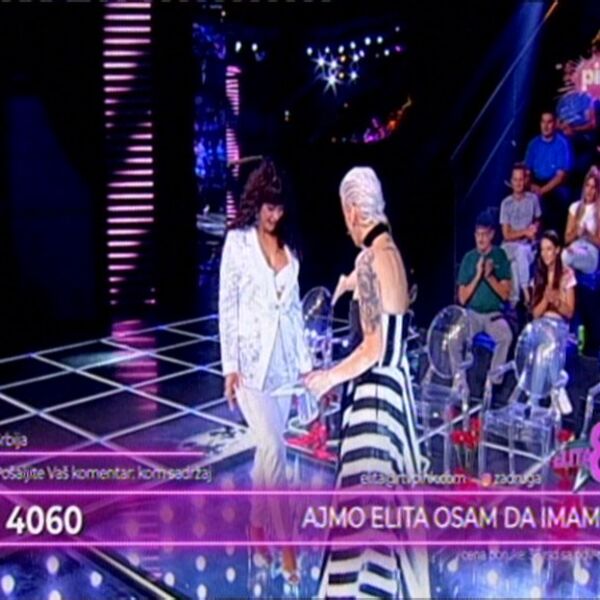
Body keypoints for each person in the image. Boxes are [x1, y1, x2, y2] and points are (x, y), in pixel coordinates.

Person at [305, 167, 430, 599]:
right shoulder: (387, 252)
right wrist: (349, 282)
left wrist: (327, 378)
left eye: (346, 212)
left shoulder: (371, 260)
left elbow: (374, 346)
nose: (345, 223)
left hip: (375, 402)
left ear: (354, 211)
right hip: (395, 394)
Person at [218, 159, 311, 581]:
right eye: (269, 208)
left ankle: (256, 527)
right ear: (256, 203)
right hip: (250, 367)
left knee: (268, 451)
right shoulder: (237, 243)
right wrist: (230, 367)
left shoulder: (291, 249)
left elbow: (293, 314)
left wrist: (307, 370)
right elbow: (228, 307)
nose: (274, 216)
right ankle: (287, 547)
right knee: (275, 448)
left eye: (280, 208)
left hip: (284, 368)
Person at [457, 209, 513, 382]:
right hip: (472, 314)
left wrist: (489, 277)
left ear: (492, 235)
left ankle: (493, 381)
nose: (480, 239)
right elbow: (462, 298)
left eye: (484, 234)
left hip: (493, 316)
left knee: (506, 336)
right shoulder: (469, 258)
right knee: (454, 337)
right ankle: (460, 382)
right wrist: (477, 275)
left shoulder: (500, 255)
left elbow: (505, 294)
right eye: (478, 234)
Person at [525, 111, 573, 234]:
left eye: (549, 122)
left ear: (555, 124)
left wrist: (542, 191)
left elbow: (561, 177)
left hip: (554, 185)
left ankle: (552, 235)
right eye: (543, 122)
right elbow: (526, 171)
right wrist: (531, 185)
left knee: (556, 198)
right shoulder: (533, 144)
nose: (546, 126)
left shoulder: (562, 144)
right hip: (535, 183)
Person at [500, 164, 541, 305]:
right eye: (515, 180)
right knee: (519, 251)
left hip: (527, 246)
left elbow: (538, 220)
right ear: (511, 181)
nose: (518, 183)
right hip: (508, 247)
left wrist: (535, 228)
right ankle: (527, 292)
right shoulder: (506, 203)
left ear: (525, 180)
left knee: (515, 265)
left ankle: (514, 301)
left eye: (521, 179)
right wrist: (525, 231)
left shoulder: (533, 199)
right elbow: (506, 235)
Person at [562, 166, 600, 275]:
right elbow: (566, 239)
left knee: (566, 257)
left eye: (593, 187)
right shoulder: (575, 207)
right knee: (564, 254)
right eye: (587, 186)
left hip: (590, 252)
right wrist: (576, 233)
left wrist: (587, 234)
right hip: (575, 247)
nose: (589, 190)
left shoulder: (598, 210)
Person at [531, 230, 576, 321]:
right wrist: (545, 299)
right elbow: (535, 314)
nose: (545, 254)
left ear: (557, 250)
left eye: (549, 249)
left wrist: (556, 301)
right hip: (540, 323)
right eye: (542, 249)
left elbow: (570, 313)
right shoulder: (538, 274)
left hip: (559, 324)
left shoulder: (567, 274)